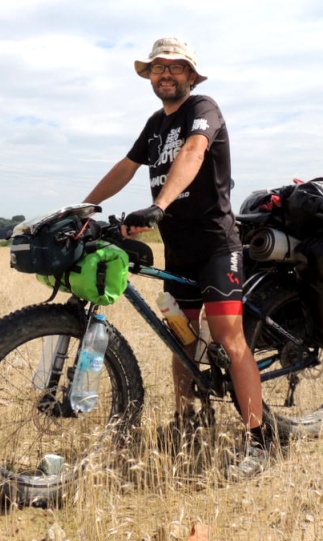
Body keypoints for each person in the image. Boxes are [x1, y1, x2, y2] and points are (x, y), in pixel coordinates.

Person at [83, 37, 268, 478]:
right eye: (158, 68)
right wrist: (85, 208)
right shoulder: (153, 125)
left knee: (227, 336)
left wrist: (159, 205)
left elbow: (193, 152)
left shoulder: (204, 109)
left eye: (175, 67)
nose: (166, 74)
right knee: (180, 338)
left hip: (216, 247)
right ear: (150, 77)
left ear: (190, 75)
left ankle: (259, 441)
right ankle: (187, 419)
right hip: (179, 252)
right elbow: (126, 167)